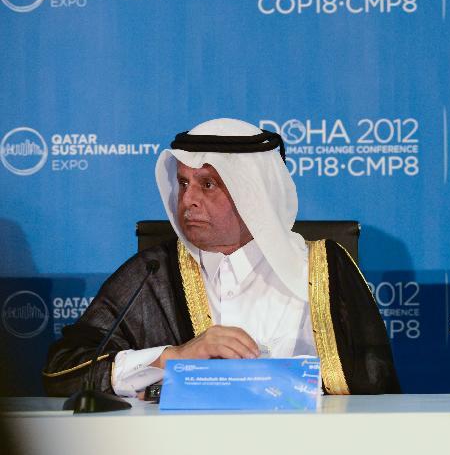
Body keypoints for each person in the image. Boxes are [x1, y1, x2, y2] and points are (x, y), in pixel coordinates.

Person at [43, 118, 401, 397]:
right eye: (183, 183)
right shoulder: (153, 273)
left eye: (208, 185)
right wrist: (173, 357)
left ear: (253, 192)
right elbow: (62, 372)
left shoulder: (324, 268)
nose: (188, 201)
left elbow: (374, 384)